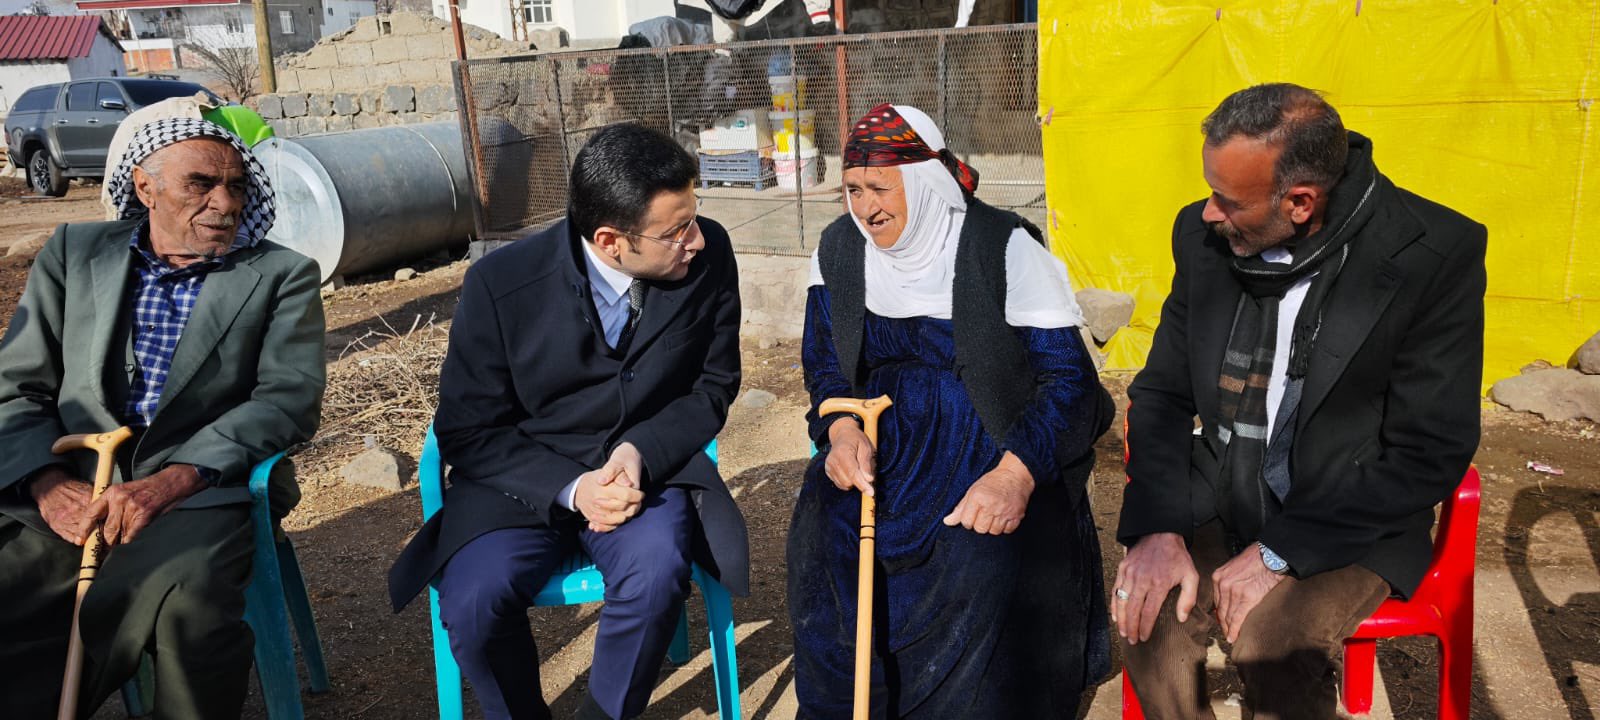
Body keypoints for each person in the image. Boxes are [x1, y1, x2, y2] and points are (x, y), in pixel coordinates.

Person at [1114, 83, 1486, 719]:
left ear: (1300, 202)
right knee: (1146, 618)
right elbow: (1161, 394)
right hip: (1223, 485)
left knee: (1273, 648)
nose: (1208, 213)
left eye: (1228, 201)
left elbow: (1431, 449)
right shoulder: (1200, 237)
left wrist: (1279, 554)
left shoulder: (1432, 253)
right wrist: (1157, 527)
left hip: (1349, 511)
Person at [387, 123, 748, 720]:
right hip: (520, 483)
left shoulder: (708, 256)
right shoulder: (502, 285)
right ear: (609, 240)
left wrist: (639, 451)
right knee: (475, 602)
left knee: (657, 572)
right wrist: (575, 489)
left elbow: (713, 386)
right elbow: (468, 430)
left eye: (694, 215)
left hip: (644, 475)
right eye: (675, 230)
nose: (697, 241)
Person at [788, 103, 1114, 718]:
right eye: (853, 189)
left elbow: (1069, 381)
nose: (866, 208)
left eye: (880, 188)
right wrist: (839, 427)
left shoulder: (1003, 248)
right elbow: (824, 360)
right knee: (822, 541)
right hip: (879, 445)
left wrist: (1016, 474)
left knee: (978, 560)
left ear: (925, 180)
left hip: (989, 447)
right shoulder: (839, 249)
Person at [0, 117, 326, 719]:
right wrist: (46, 487)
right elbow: (15, 387)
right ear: (145, 188)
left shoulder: (283, 275)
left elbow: (287, 398)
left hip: (201, 490)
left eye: (237, 188)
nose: (225, 204)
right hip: (73, 483)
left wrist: (171, 481)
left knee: (187, 603)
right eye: (200, 184)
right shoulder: (74, 254)